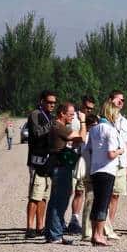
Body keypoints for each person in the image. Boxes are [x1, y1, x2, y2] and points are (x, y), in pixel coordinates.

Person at [44, 102, 85, 244]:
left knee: (56, 200)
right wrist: (83, 122)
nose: (73, 117)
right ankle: (55, 234)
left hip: (59, 166)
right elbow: (81, 137)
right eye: (71, 114)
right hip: (60, 167)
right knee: (59, 201)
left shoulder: (57, 126)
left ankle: (52, 232)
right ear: (62, 113)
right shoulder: (59, 127)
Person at [87, 101, 124, 246]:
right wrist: (120, 151)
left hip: (95, 169)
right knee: (103, 203)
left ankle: (94, 233)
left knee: (97, 202)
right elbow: (111, 154)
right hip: (107, 170)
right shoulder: (110, 130)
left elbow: (89, 149)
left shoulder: (94, 129)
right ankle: (99, 234)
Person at [25, 90, 57, 239]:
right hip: (36, 161)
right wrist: (52, 125)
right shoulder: (35, 114)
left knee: (44, 196)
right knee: (34, 196)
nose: (52, 105)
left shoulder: (50, 116)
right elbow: (37, 133)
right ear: (42, 101)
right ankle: (29, 227)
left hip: (47, 161)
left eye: (54, 103)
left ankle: (40, 226)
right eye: (49, 102)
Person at [67, 95, 96, 235]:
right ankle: (65, 219)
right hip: (73, 157)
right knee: (69, 190)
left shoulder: (92, 120)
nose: (89, 110)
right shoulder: (74, 120)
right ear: (82, 105)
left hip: (85, 160)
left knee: (80, 190)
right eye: (87, 108)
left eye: (91, 109)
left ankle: (75, 218)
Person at [106, 90, 127, 240]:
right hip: (107, 162)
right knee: (104, 195)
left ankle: (110, 226)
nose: (121, 102)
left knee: (115, 195)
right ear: (110, 100)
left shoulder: (124, 121)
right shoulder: (104, 119)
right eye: (118, 100)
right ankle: (100, 225)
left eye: (123, 100)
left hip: (121, 164)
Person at [79, 113, 100, 242]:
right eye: (92, 126)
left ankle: (99, 229)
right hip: (89, 172)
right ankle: (86, 231)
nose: (95, 128)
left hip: (98, 171)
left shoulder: (96, 136)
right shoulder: (86, 138)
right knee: (89, 200)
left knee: (100, 202)